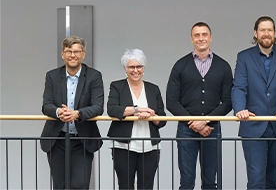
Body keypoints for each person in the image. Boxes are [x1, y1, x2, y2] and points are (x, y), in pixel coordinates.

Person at [232, 16, 276, 190]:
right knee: (256, 180)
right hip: (253, 124)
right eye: (262, 30)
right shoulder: (244, 57)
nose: (266, 34)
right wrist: (240, 109)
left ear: (275, 33)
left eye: (270, 30)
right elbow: (239, 87)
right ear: (256, 33)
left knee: (272, 181)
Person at [166, 22, 234, 190]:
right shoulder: (180, 65)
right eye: (197, 35)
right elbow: (171, 101)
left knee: (210, 181)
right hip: (185, 130)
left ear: (211, 37)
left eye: (204, 34)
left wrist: (206, 121)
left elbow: (228, 101)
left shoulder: (223, 66)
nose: (201, 38)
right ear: (191, 39)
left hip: (212, 130)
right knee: (187, 180)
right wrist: (194, 123)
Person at [40, 35, 104, 190]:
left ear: (83, 54)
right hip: (57, 139)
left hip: (82, 139)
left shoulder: (94, 76)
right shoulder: (52, 76)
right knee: (60, 185)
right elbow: (46, 105)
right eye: (69, 51)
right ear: (62, 54)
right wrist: (58, 112)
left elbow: (98, 107)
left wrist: (77, 114)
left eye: (76, 51)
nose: (72, 55)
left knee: (80, 185)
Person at [107, 49, 167, 190]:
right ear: (125, 69)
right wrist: (138, 109)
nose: (135, 70)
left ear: (143, 68)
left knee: (147, 186)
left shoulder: (153, 89)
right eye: (131, 67)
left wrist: (151, 115)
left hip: (150, 147)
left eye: (139, 66)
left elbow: (162, 119)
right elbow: (112, 109)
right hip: (123, 146)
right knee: (125, 186)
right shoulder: (117, 86)